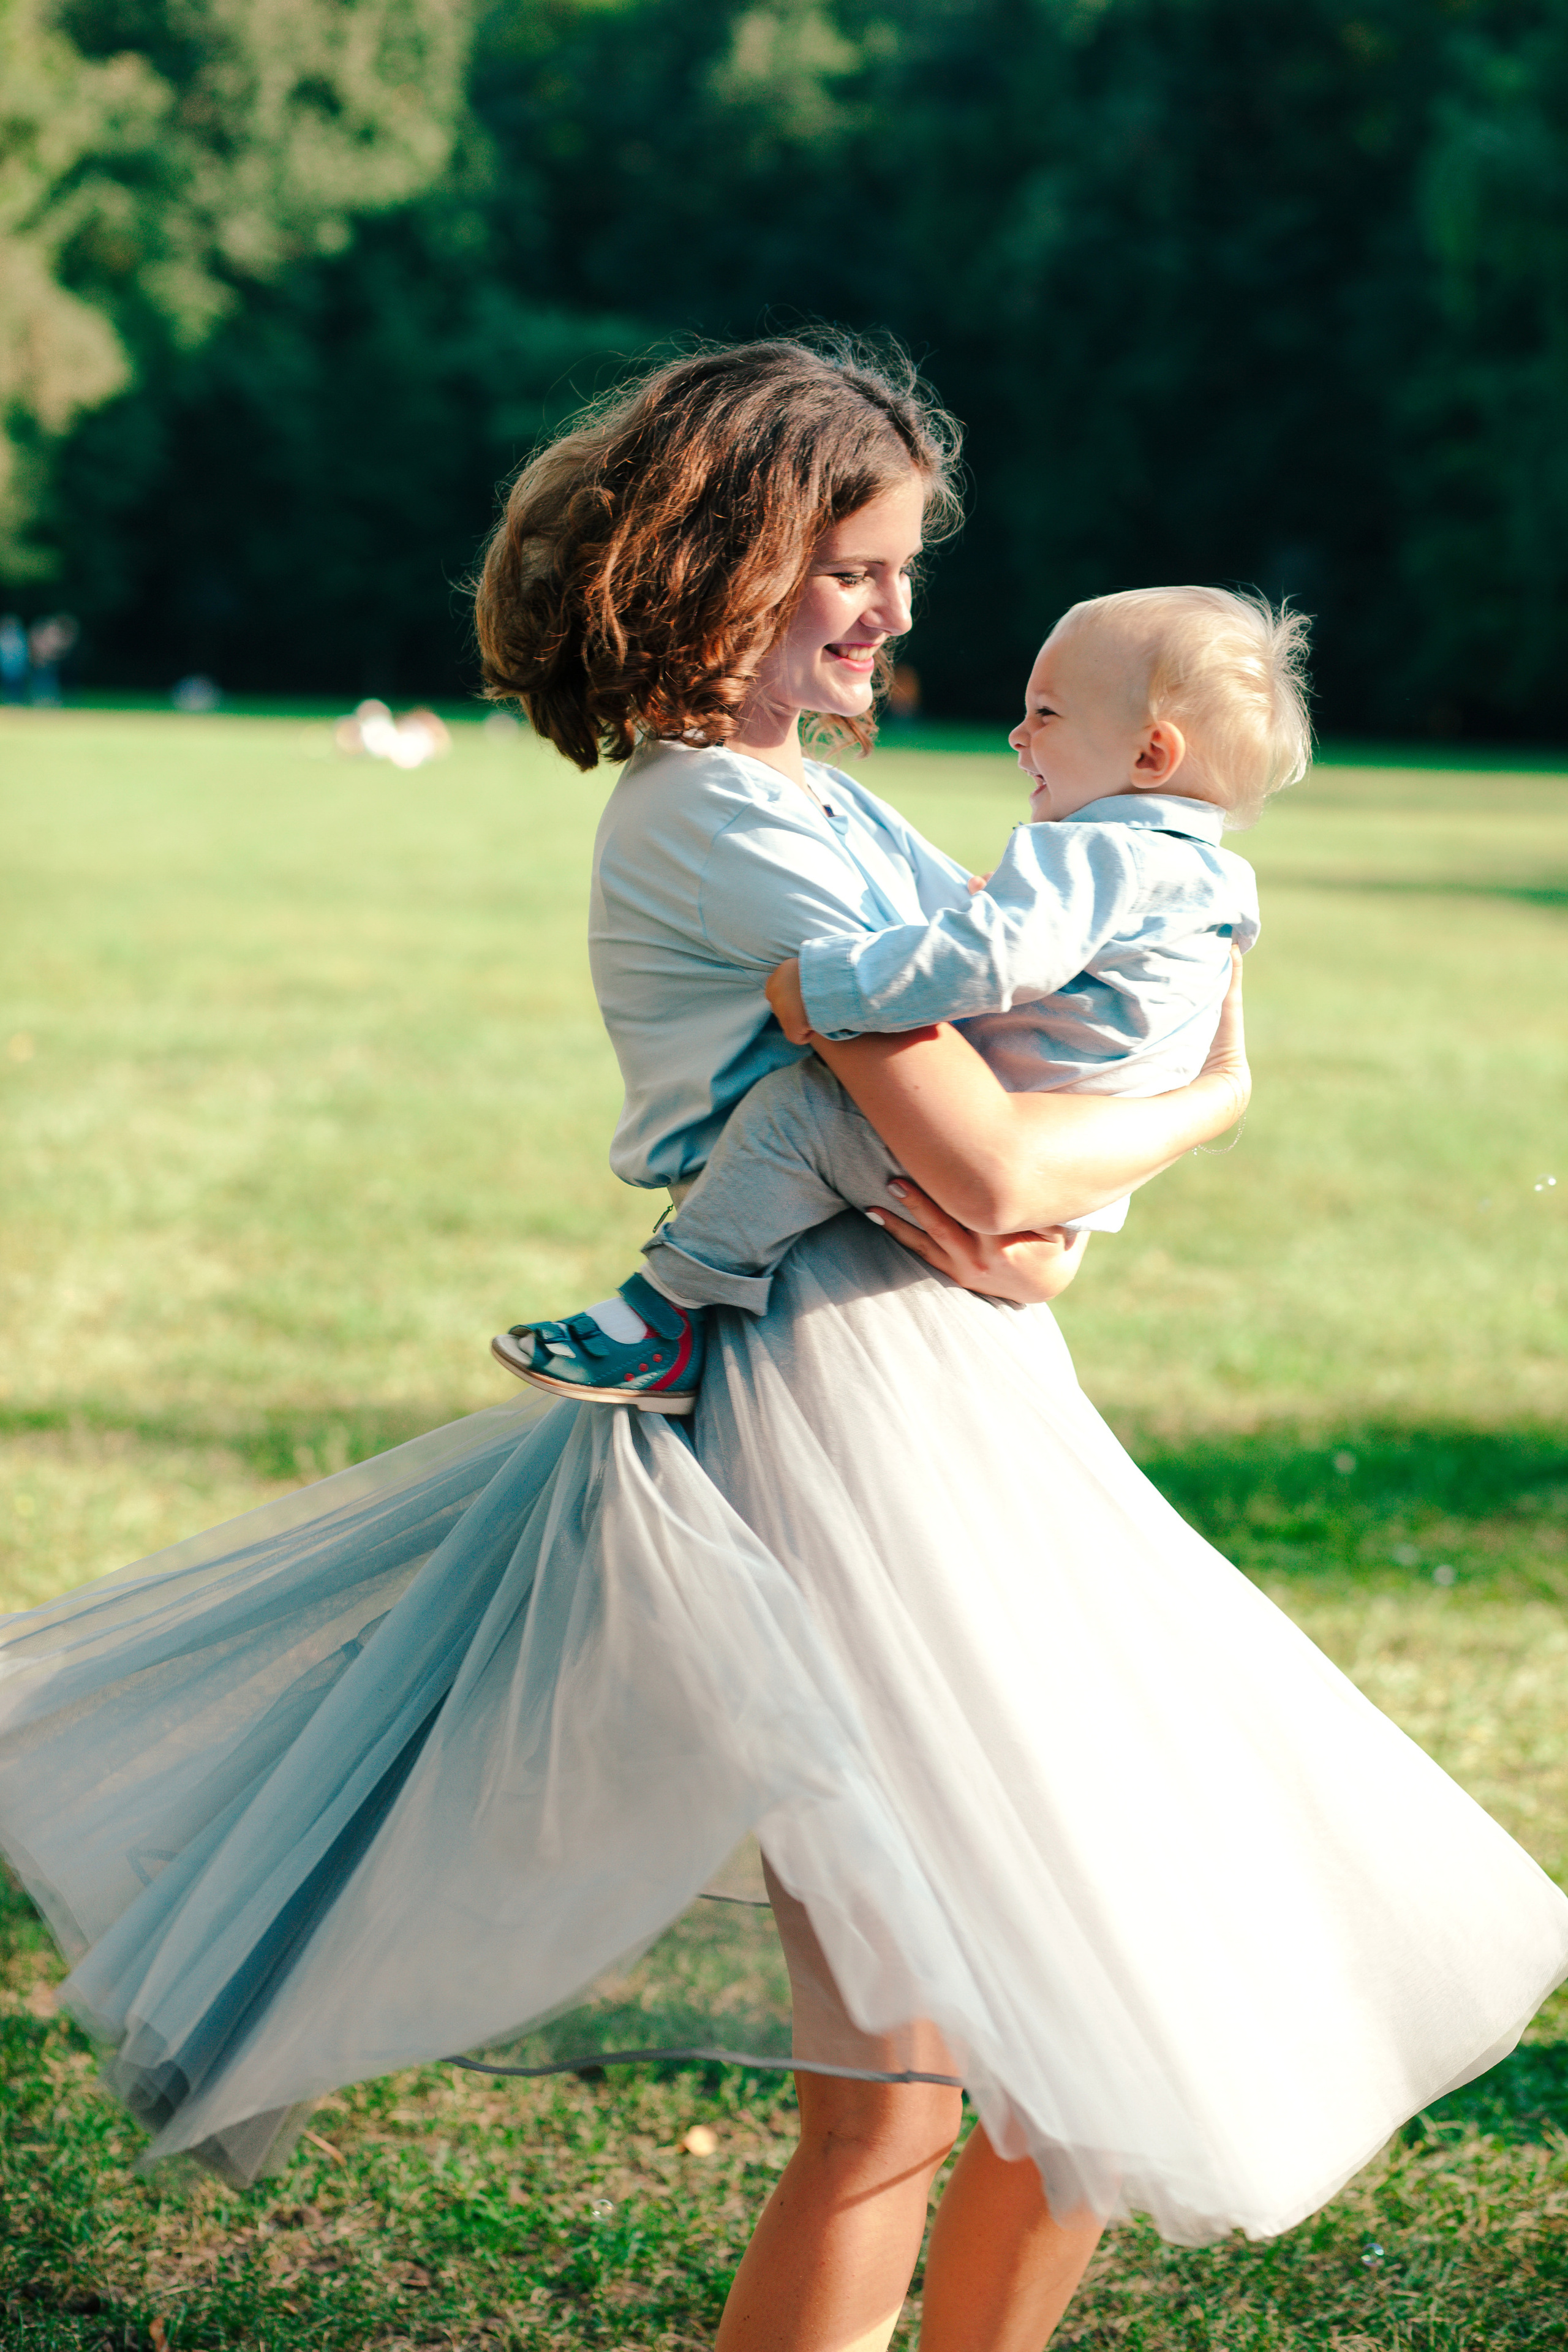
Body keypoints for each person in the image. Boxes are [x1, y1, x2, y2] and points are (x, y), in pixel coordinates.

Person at [2, 339, 1566, 2352]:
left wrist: (1057, 1185)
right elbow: (993, 1165)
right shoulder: (706, 821)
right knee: (906, 2080)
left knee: (1087, 2024)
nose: (906, 614)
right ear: (741, 556)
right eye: (866, 565)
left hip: (967, 1418)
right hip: (833, 1434)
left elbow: (1022, 1230)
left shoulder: (826, 805)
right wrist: (1206, 1110)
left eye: (912, 570)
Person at [493, 584, 1300, 1410]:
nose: (1019, 736)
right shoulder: (1218, 883)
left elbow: (992, 961)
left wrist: (830, 983)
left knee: (799, 1115)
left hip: (993, 1152)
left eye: (1048, 715)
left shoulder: (1095, 858)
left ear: (1150, 757)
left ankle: (671, 1309)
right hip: (1072, 1166)